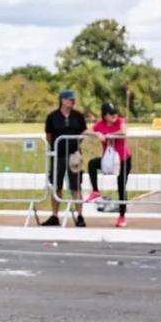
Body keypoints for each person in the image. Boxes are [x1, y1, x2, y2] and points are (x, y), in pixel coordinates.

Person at [42, 89, 87, 227]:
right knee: (57, 185)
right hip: (58, 155)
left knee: (76, 186)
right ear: (62, 100)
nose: (72, 102)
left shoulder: (78, 116)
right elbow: (49, 135)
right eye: (70, 99)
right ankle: (55, 215)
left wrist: (76, 144)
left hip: (74, 155)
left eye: (73, 100)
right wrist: (56, 147)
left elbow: (83, 132)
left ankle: (80, 215)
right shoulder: (52, 117)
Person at [85, 102, 132, 228]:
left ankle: (122, 216)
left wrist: (109, 136)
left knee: (121, 187)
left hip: (123, 159)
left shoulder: (120, 121)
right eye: (111, 113)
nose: (114, 115)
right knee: (92, 164)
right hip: (109, 160)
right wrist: (97, 134)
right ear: (105, 115)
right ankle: (95, 191)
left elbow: (123, 132)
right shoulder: (100, 124)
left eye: (115, 112)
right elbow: (86, 131)